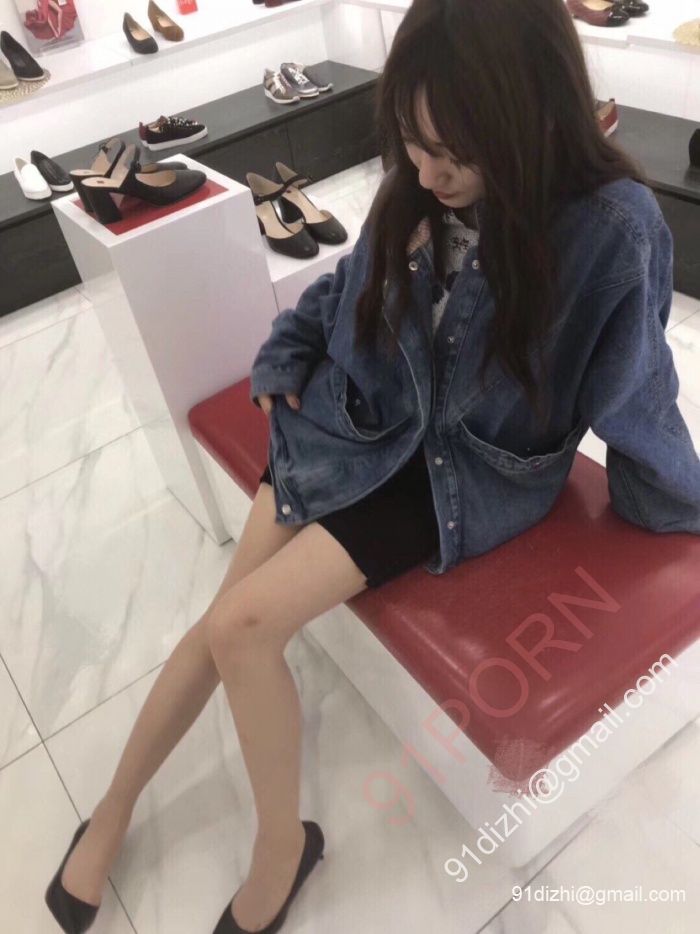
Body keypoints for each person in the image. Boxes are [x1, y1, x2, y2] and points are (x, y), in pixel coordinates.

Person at [45, 1, 700, 932]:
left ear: (531, 117)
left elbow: (636, 385)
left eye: (452, 154)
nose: (426, 173)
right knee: (219, 624)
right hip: (352, 416)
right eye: (412, 144)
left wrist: (674, 503)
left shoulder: (610, 227)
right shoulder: (420, 187)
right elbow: (344, 289)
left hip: (451, 473)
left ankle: (282, 848)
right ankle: (110, 813)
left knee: (242, 627)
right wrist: (282, 358)